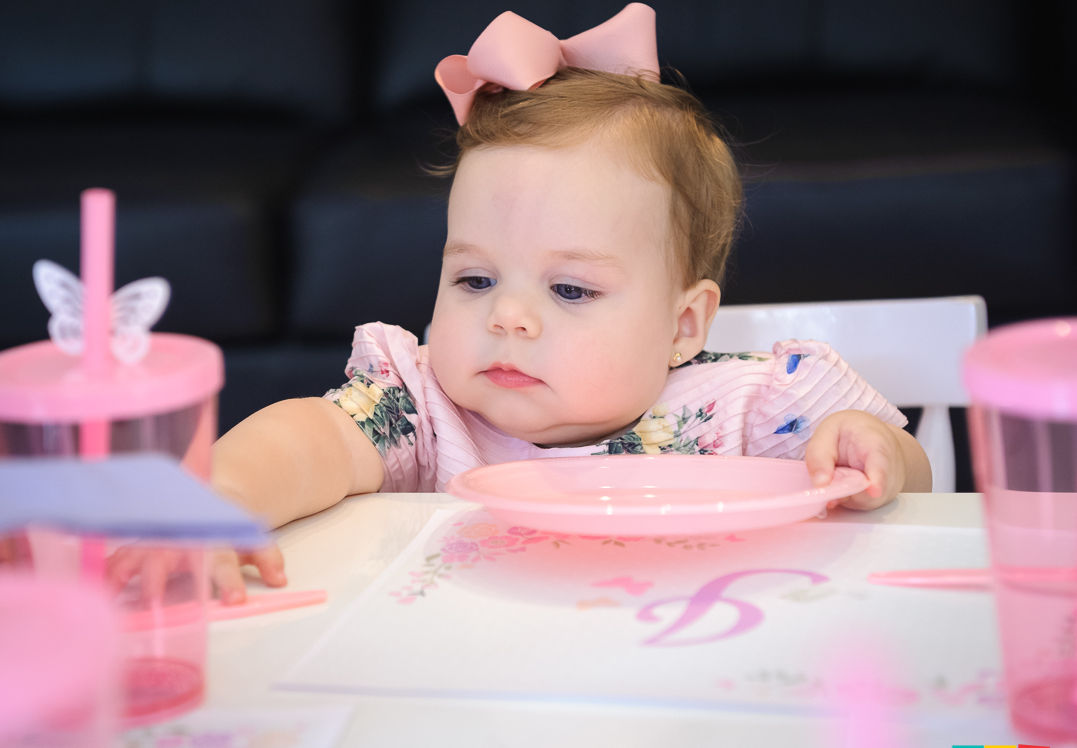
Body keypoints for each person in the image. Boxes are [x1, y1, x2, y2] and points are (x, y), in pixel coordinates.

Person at [209, 4, 932, 600]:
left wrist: (880, 455)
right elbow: (313, 441)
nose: (507, 317)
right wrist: (220, 500)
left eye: (569, 289)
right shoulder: (425, 411)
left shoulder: (756, 406)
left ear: (683, 326)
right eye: (476, 279)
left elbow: (914, 493)